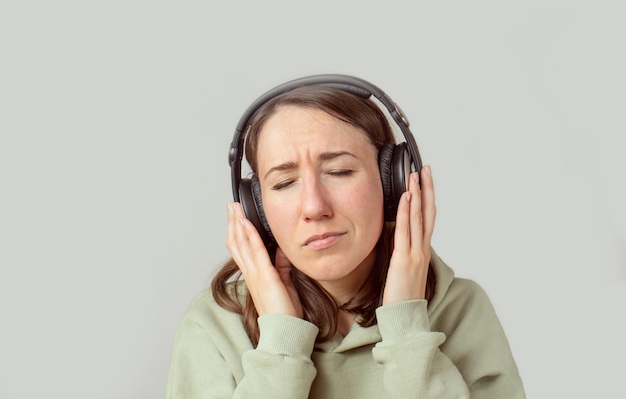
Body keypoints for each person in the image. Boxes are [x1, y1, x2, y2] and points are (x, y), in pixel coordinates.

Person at [166, 75, 526, 398]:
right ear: (255, 207)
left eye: (338, 171)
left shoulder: (462, 309)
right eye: (285, 183)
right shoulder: (214, 325)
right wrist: (280, 344)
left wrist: (406, 330)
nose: (314, 206)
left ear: (393, 182)